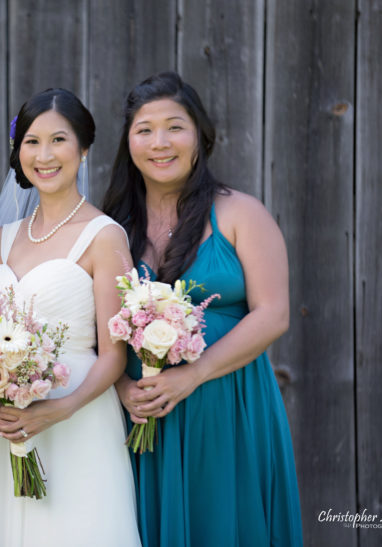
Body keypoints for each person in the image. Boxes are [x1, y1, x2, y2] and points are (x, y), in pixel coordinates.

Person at [102, 71, 303, 545]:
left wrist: (193, 373)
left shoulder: (239, 213)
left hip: (228, 406)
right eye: (145, 129)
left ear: (199, 136)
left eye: (175, 126)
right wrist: (123, 388)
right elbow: (93, 328)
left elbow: (273, 313)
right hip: (141, 416)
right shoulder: (111, 227)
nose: (160, 142)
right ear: (128, 142)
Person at [0, 88, 142, 546]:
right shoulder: (2, 237)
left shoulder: (104, 236)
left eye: (58, 140)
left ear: (83, 150)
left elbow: (114, 354)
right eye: (31, 141)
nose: (44, 155)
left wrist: (60, 409)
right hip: (11, 424)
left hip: (79, 416)